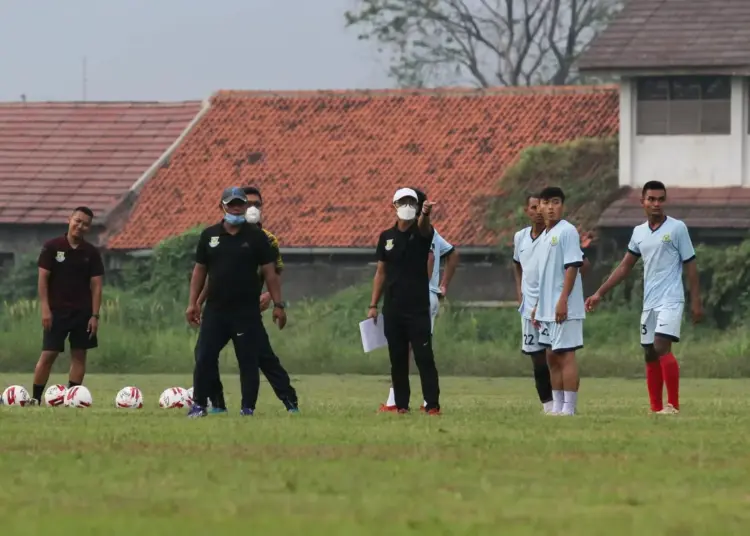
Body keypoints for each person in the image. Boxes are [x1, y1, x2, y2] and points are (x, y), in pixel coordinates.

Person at [585, 181, 703, 415]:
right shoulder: (639, 232)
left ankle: (673, 406)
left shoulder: (677, 228)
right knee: (649, 353)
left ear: (664, 201)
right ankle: (655, 408)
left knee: (661, 346)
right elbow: (625, 267)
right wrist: (600, 292)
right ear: (643, 202)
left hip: (671, 298)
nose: (656, 203)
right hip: (649, 301)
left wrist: (696, 302)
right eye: (651, 199)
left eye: (660, 199)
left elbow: (690, 266)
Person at [194, 185, 299, 414]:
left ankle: (288, 401)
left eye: (255, 204)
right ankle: (217, 402)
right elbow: (214, 275)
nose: (249, 208)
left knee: (262, 358)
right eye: (246, 203)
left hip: (249, 308)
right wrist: (198, 301)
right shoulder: (214, 235)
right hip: (221, 307)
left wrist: (272, 299)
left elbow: (274, 273)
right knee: (204, 354)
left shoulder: (265, 238)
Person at [379, 187, 458, 412]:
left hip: (424, 297)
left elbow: (435, 256)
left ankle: (423, 402)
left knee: (418, 352)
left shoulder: (426, 232)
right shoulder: (392, 236)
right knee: (404, 353)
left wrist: (441, 285)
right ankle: (400, 401)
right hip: (404, 301)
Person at [369, 187, 441, 414]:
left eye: (412, 202)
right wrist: (373, 305)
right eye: (403, 202)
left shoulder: (422, 234)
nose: (407, 206)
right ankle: (401, 405)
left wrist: (426, 214)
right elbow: (381, 272)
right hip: (393, 308)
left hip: (418, 308)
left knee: (423, 357)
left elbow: (424, 227)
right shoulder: (386, 237)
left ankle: (432, 405)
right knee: (397, 359)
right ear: (394, 206)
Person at [31, 206, 104, 405]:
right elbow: (43, 279)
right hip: (56, 311)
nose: (80, 226)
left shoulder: (91, 252)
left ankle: (73, 398)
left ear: (89, 228)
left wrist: (94, 315)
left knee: (79, 355)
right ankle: (35, 398)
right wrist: (45, 308)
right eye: (77, 221)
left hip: (83, 312)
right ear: (69, 220)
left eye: (85, 224)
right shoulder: (52, 247)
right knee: (48, 354)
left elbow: (97, 286)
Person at [530, 186, 585, 416]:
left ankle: (569, 408)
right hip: (545, 309)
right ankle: (558, 406)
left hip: (565, 306)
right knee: (551, 355)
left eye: (555, 202)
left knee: (566, 354)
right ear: (539, 206)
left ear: (562, 205)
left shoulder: (567, 231)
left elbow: (572, 266)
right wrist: (537, 306)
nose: (550, 208)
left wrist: (563, 300)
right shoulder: (543, 236)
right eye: (546, 203)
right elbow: (545, 276)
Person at [513, 194, 554, 413]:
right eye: (533, 207)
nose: (538, 211)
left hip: (550, 308)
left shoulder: (554, 236)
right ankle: (547, 404)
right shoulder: (520, 237)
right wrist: (520, 294)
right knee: (537, 359)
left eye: (542, 206)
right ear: (527, 210)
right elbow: (517, 265)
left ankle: (563, 403)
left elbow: (580, 265)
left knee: (553, 356)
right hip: (528, 309)